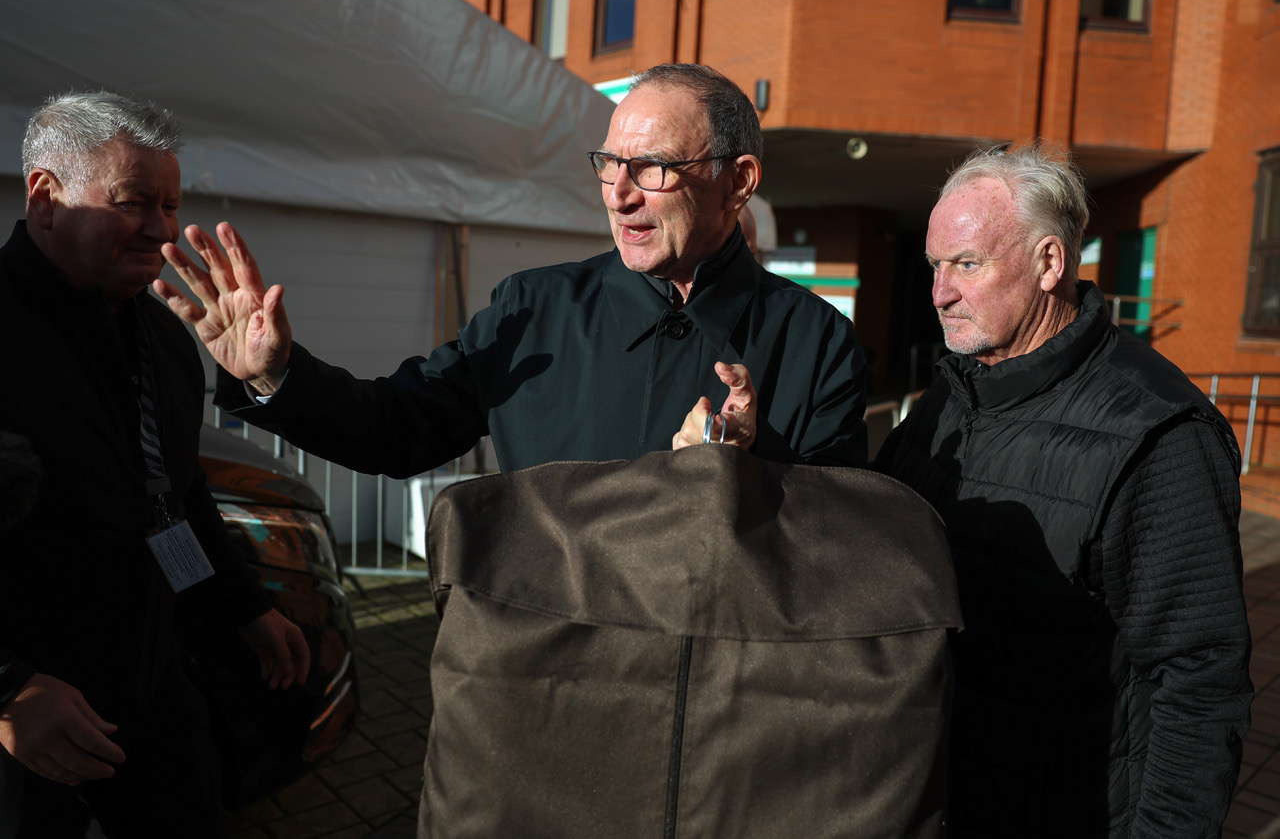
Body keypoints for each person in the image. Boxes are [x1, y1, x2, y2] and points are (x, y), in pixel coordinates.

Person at [154, 63, 868, 472]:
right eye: (610, 163)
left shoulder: (818, 343)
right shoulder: (533, 309)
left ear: (738, 181)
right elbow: (397, 427)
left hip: (721, 714)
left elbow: (837, 548)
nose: (617, 193)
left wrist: (757, 462)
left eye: (651, 168)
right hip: (543, 698)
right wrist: (275, 374)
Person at [873, 144, 1252, 837]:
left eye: (966, 263)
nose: (939, 292)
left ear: (1050, 262)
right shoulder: (952, 392)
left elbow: (1199, 682)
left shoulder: (1157, 435)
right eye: (934, 265)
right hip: (937, 792)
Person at [0, 91, 310, 839]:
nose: (163, 229)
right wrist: (6, 689)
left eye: (170, 205)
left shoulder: (167, 334)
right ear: (46, 197)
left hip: (155, 682)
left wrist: (243, 606)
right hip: (28, 716)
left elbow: (175, 491)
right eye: (135, 202)